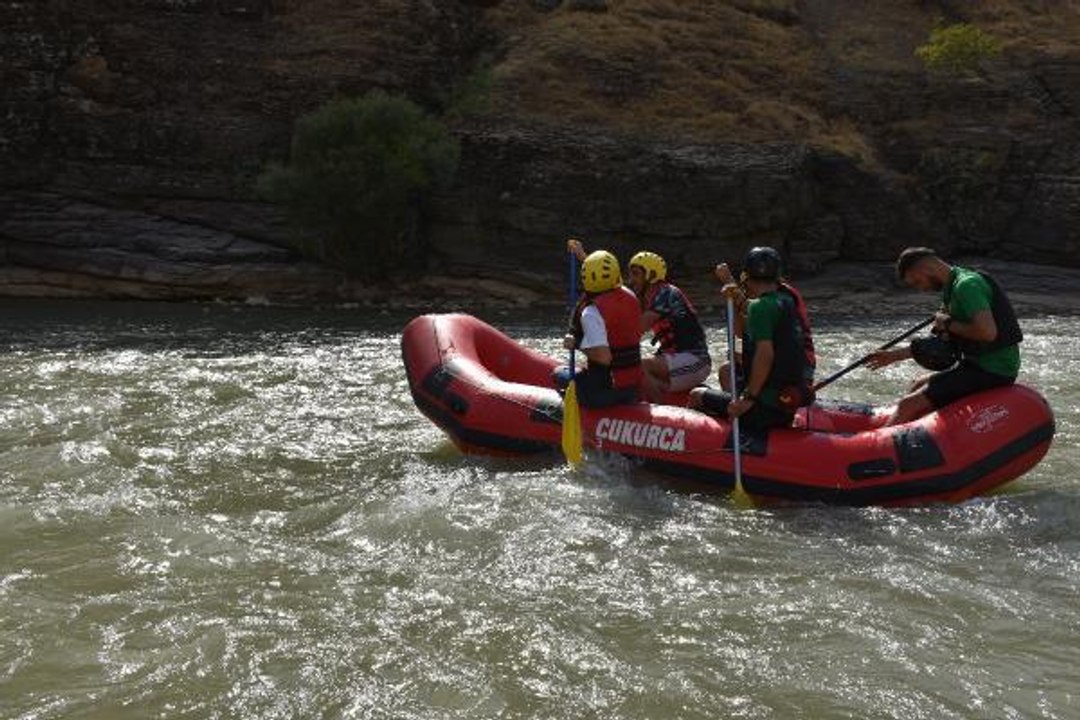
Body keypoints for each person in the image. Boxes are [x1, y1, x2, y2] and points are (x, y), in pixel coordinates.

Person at [866, 247, 1022, 425]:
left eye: (917, 281)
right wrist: (893, 356)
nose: (921, 289)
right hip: (976, 365)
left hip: (993, 370)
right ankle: (911, 429)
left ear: (927, 269)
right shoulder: (952, 289)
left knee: (907, 405)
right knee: (918, 384)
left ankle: (880, 441)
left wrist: (947, 323)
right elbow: (936, 344)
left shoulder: (967, 286)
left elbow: (987, 333)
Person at [688, 246, 814, 433]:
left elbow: (765, 355)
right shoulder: (785, 301)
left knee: (696, 395)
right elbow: (743, 332)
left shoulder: (760, 307)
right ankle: (738, 417)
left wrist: (748, 398)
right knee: (727, 370)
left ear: (747, 277)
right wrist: (733, 301)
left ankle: (729, 432)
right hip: (784, 404)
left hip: (764, 407)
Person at [566, 240, 710, 402]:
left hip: (695, 361)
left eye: (636, 274)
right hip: (675, 359)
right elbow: (609, 282)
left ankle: (659, 410)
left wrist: (591, 344)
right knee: (637, 366)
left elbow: (634, 330)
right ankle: (661, 399)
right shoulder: (645, 296)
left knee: (639, 366)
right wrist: (585, 259)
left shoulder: (666, 293)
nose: (631, 279)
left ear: (651, 275)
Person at [559, 245, 643, 408]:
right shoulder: (630, 296)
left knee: (559, 374)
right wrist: (583, 257)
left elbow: (604, 358)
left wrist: (576, 343)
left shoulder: (591, 312)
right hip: (634, 386)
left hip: (606, 392)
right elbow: (604, 276)